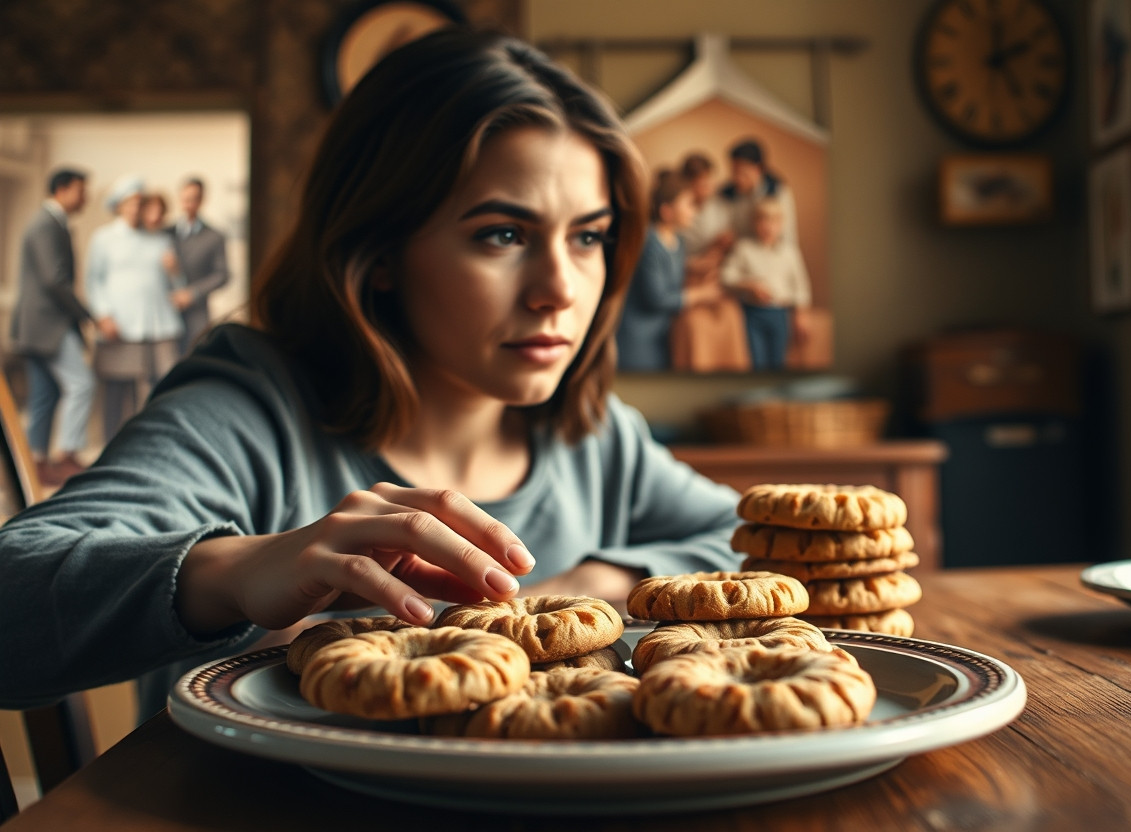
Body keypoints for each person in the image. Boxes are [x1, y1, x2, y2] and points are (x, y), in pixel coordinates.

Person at [0, 30, 741, 716]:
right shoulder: (247, 411)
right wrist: (238, 571)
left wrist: (597, 581)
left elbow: (738, 536)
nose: (562, 289)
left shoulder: (593, 435)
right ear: (379, 250)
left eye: (588, 237)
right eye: (503, 234)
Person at [10, 167, 96, 486]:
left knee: (43, 395)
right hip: (49, 324)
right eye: (81, 190)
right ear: (62, 189)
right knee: (81, 383)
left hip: (37, 325)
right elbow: (54, 279)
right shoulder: (47, 225)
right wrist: (86, 314)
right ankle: (67, 454)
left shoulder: (50, 223)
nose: (84, 197)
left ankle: (36, 461)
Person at [86, 178, 184, 441]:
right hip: (120, 325)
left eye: (139, 203)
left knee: (155, 389)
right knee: (116, 392)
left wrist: (175, 271)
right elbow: (93, 280)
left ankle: (148, 444)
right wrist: (103, 314)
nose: (134, 208)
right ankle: (110, 445)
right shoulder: (104, 238)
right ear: (118, 206)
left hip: (156, 326)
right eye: (130, 203)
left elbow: (177, 286)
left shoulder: (159, 240)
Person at [615, 169, 721, 371]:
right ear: (667, 211)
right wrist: (701, 294)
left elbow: (672, 269)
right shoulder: (649, 242)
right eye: (689, 204)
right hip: (638, 339)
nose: (694, 211)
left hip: (663, 334)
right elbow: (657, 298)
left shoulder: (679, 241)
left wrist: (702, 266)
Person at [720, 197, 811, 370]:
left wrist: (801, 314)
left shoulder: (789, 252)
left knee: (778, 361)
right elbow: (726, 276)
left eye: (774, 221)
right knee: (756, 361)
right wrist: (749, 285)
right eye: (763, 220)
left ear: (781, 224)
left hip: (779, 313)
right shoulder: (744, 248)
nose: (768, 226)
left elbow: (801, 286)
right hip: (752, 313)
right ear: (755, 223)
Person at [169, 177, 230, 354]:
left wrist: (192, 293)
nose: (189, 204)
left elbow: (222, 274)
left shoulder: (214, 236)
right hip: (167, 308)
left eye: (194, 199)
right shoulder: (167, 233)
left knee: (194, 353)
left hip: (197, 310)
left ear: (202, 200)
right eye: (185, 198)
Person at [718, 138, 799, 246]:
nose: (737, 178)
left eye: (742, 173)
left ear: (758, 169)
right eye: (734, 172)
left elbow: (788, 237)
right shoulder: (729, 192)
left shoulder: (779, 192)